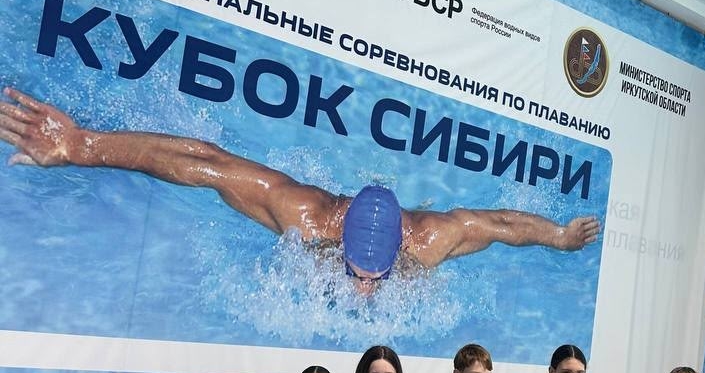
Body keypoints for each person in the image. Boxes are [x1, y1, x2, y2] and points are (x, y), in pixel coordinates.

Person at [0, 87, 600, 292]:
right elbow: (205, 162)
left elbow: (500, 225)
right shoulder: (305, 217)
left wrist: (558, 238)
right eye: (357, 271)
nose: (364, 288)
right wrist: (82, 145)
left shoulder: (430, 240)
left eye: (375, 273)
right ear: (339, 237)